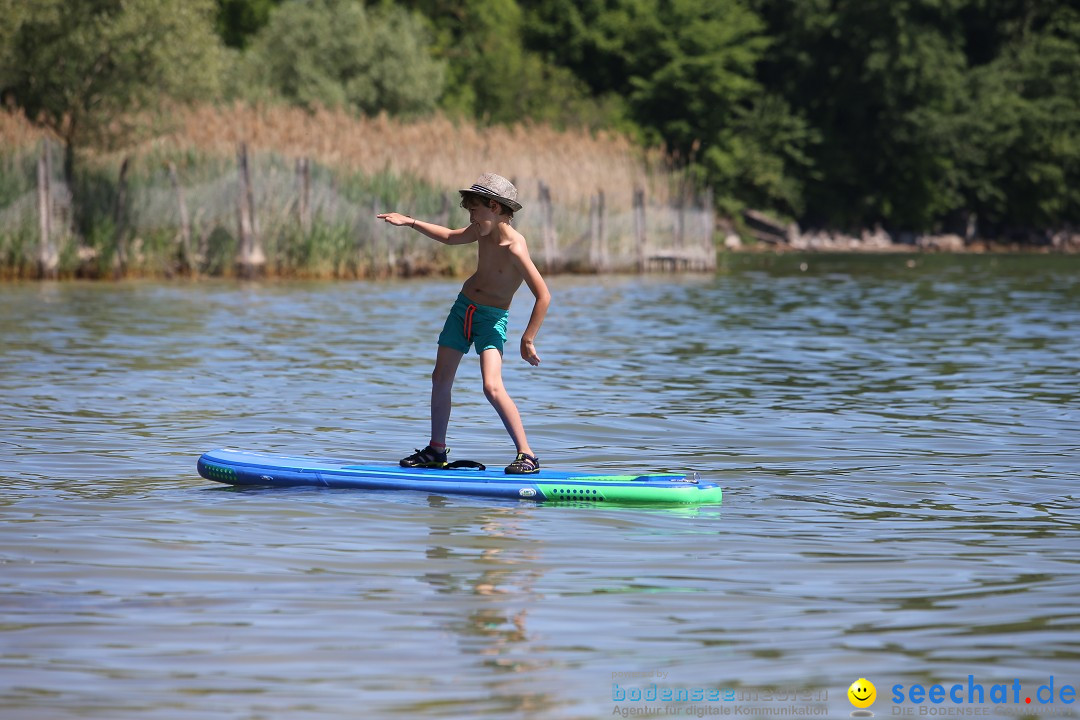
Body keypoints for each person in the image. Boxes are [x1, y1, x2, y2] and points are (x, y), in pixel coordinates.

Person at [377, 173, 551, 474]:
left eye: (475, 210)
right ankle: (436, 450)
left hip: (491, 320)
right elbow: (449, 236)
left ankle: (528, 455)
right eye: (469, 211)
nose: (471, 216)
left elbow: (543, 295)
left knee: (491, 387)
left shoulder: (515, 248)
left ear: (494, 207)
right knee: (440, 379)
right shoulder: (481, 231)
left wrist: (528, 339)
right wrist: (410, 222)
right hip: (462, 310)